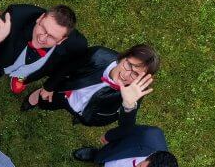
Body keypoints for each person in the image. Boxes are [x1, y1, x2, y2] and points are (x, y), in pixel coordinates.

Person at [23, 44, 159, 127]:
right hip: (65, 93)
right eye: (128, 64)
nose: (126, 74)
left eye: (135, 74)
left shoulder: (136, 91)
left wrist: (129, 105)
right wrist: (49, 86)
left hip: (90, 114)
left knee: (83, 117)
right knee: (46, 102)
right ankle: (38, 97)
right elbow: (67, 67)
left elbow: (125, 128)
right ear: (123, 56)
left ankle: (79, 115)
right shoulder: (97, 55)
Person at [0, 4, 87, 95]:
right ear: (40, 18)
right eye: (43, 28)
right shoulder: (16, 16)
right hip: (3, 53)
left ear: (61, 40)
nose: (42, 38)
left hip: (32, 69)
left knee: (28, 72)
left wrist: (51, 85)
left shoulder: (77, 46)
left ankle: (21, 76)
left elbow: (66, 67)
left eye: (52, 37)